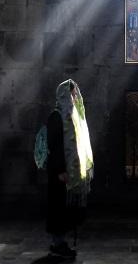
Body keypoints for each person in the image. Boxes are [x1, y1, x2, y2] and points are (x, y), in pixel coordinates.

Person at [46, 79, 94, 258]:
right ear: (64, 95)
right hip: (59, 172)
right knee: (57, 207)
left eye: (75, 95)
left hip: (68, 171)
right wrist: (60, 170)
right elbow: (54, 145)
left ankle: (60, 242)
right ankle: (57, 243)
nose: (74, 98)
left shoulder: (71, 116)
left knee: (64, 208)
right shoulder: (56, 116)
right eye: (72, 95)